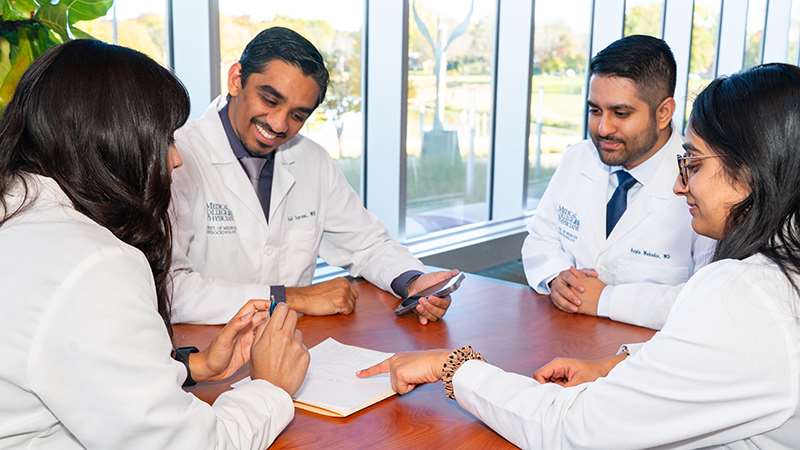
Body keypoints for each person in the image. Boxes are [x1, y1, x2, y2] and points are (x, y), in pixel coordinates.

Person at [359, 63, 800, 448]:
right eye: (595, 110)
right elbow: (702, 358)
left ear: (749, 172)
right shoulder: (775, 274)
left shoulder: (745, 294)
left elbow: (571, 431)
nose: (680, 184)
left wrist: (454, 367)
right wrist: (615, 366)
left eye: (695, 164)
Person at [0, 40, 310, 449]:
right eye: (165, 139)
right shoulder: (91, 264)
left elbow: (63, 364)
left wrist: (190, 366)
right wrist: (271, 388)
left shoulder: (22, 214)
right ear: (116, 141)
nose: (176, 159)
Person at [170, 26, 456, 325]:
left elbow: (367, 244)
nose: (279, 124)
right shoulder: (176, 158)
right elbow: (171, 290)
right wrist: (287, 298)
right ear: (236, 80)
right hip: (203, 347)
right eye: (269, 100)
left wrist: (413, 282)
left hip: (293, 341)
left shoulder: (312, 160)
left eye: (298, 115)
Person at [522, 35, 715, 329]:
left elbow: (706, 298)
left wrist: (606, 299)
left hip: (652, 351)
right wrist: (555, 275)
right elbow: (540, 238)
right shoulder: (578, 159)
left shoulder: (704, 181)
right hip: (568, 334)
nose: (602, 128)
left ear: (663, 113)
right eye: (595, 110)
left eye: (620, 113)